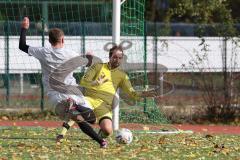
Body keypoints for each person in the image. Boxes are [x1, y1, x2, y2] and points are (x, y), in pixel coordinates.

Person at [19, 17, 107, 148]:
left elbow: (22, 46)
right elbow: (89, 62)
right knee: (88, 119)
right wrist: (90, 56)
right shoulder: (70, 54)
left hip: (56, 96)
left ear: (49, 41)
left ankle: (101, 141)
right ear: (62, 39)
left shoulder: (43, 52)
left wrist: (24, 28)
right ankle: (101, 141)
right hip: (72, 92)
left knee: (82, 119)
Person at [58, 45, 152, 141]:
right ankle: (61, 134)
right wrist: (95, 83)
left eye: (120, 58)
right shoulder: (97, 67)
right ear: (110, 57)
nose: (117, 60)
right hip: (89, 100)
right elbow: (83, 82)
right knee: (77, 109)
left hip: (104, 106)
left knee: (108, 131)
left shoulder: (122, 76)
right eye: (115, 57)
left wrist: (144, 94)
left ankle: (100, 136)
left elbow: (133, 94)